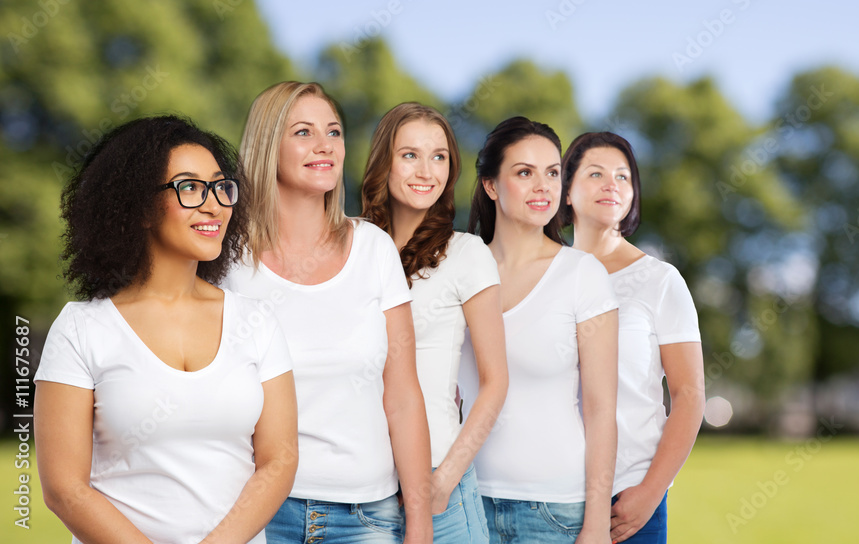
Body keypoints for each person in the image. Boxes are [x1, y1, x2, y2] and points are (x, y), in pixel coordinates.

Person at [35, 115, 298, 544]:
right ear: (138, 206)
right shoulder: (82, 328)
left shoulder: (257, 321)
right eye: (190, 187)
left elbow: (279, 460)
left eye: (219, 186)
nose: (213, 204)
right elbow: (65, 489)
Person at [224, 82, 433, 544]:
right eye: (303, 132)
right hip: (255, 512)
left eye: (334, 132)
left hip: (365, 518)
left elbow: (402, 396)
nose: (325, 145)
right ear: (265, 147)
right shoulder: (226, 261)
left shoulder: (373, 250)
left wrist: (419, 523)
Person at [461, 116, 619, 544]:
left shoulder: (582, 275)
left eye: (552, 173)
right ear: (491, 186)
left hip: (554, 511)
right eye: (524, 173)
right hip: (463, 502)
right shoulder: (457, 267)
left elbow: (602, 409)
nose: (544, 186)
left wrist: (597, 523)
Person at [360, 102, 508, 543]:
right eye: (410, 155)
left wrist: (444, 479)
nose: (427, 170)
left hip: (436, 475)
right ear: (382, 163)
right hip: (362, 481)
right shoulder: (355, 246)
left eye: (439, 156)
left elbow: (495, 382)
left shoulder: (466, 254)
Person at [560, 132, 705, 544]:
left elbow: (690, 395)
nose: (612, 184)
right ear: (566, 191)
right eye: (596, 173)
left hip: (627, 502)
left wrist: (650, 492)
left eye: (623, 177)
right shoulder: (545, 277)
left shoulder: (660, 281)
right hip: (546, 497)